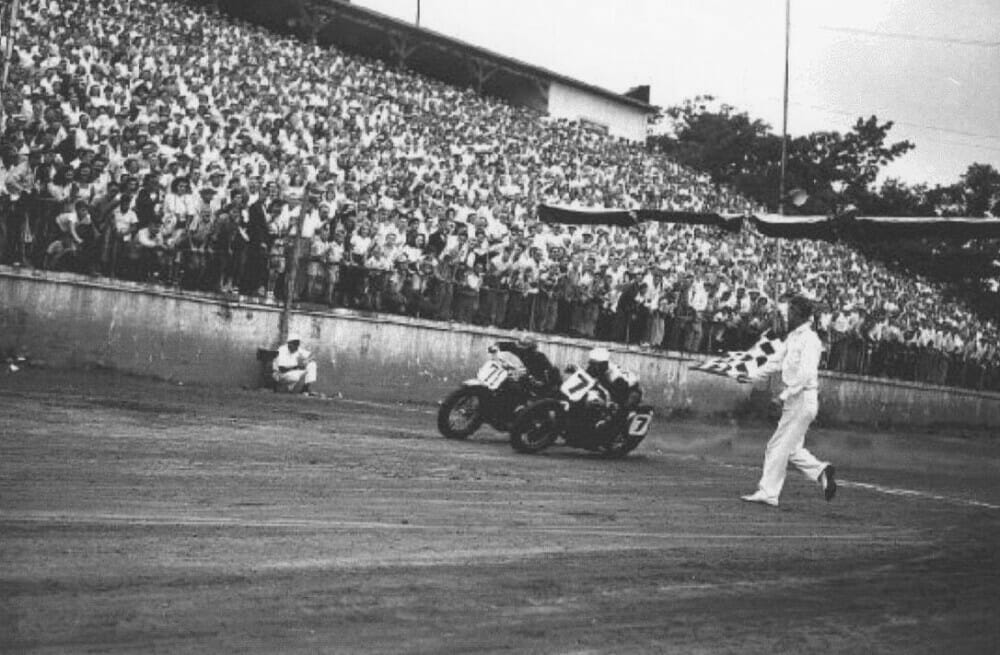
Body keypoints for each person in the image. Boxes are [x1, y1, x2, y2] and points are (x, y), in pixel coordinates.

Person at [741, 295, 836, 507]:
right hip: (795, 401)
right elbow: (775, 361)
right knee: (789, 448)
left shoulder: (811, 340)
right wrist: (751, 375)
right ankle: (821, 471)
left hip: (802, 399)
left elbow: (805, 375)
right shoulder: (793, 337)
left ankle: (769, 492)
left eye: (791, 311)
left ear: (801, 315)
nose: (787, 315)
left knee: (778, 446)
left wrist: (782, 395)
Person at [488, 334, 561, 391]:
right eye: (520, 346)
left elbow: (549, 373)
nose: (520, 349)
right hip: (512, 375)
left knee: (513, 388)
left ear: (531, 348)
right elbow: (501, 345)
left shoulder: (540, 357)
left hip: (531, 382)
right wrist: (494, 348)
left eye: (523, 348)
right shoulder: (517, 348)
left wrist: (536, 380)